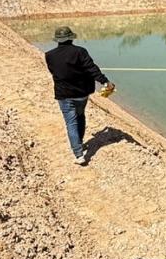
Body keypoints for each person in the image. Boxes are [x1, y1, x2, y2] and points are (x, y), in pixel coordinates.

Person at [45, 26, 114, 165]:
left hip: (63, 94)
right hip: (81, 93)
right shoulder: (80, 52)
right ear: (71, 38)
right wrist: (105, 82)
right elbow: (91, 69)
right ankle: (79, 143)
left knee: (71, 122)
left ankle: (78, 154)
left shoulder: (49, 55)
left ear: (57, 40)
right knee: (80, 116)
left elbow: (54, 72)